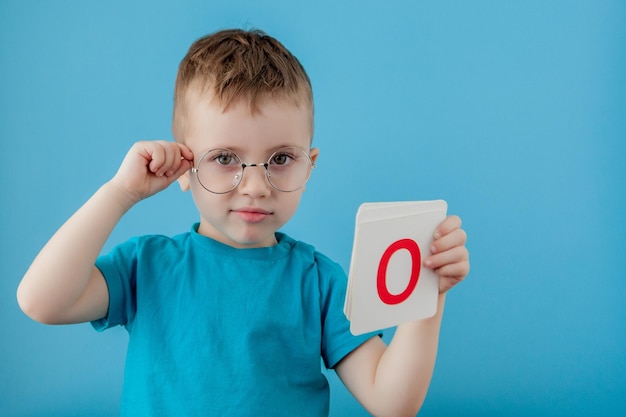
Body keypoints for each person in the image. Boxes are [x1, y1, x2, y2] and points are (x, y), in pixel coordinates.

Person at [17, 29, 470, 417]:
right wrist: (120, 193)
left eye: (280, 159)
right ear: (183, 168)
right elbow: (42, 301)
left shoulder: (317, 281)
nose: (255, 185)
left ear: (309, 166)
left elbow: (392, 402)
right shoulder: (146, 266)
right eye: (225, 158)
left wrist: (428, 297)